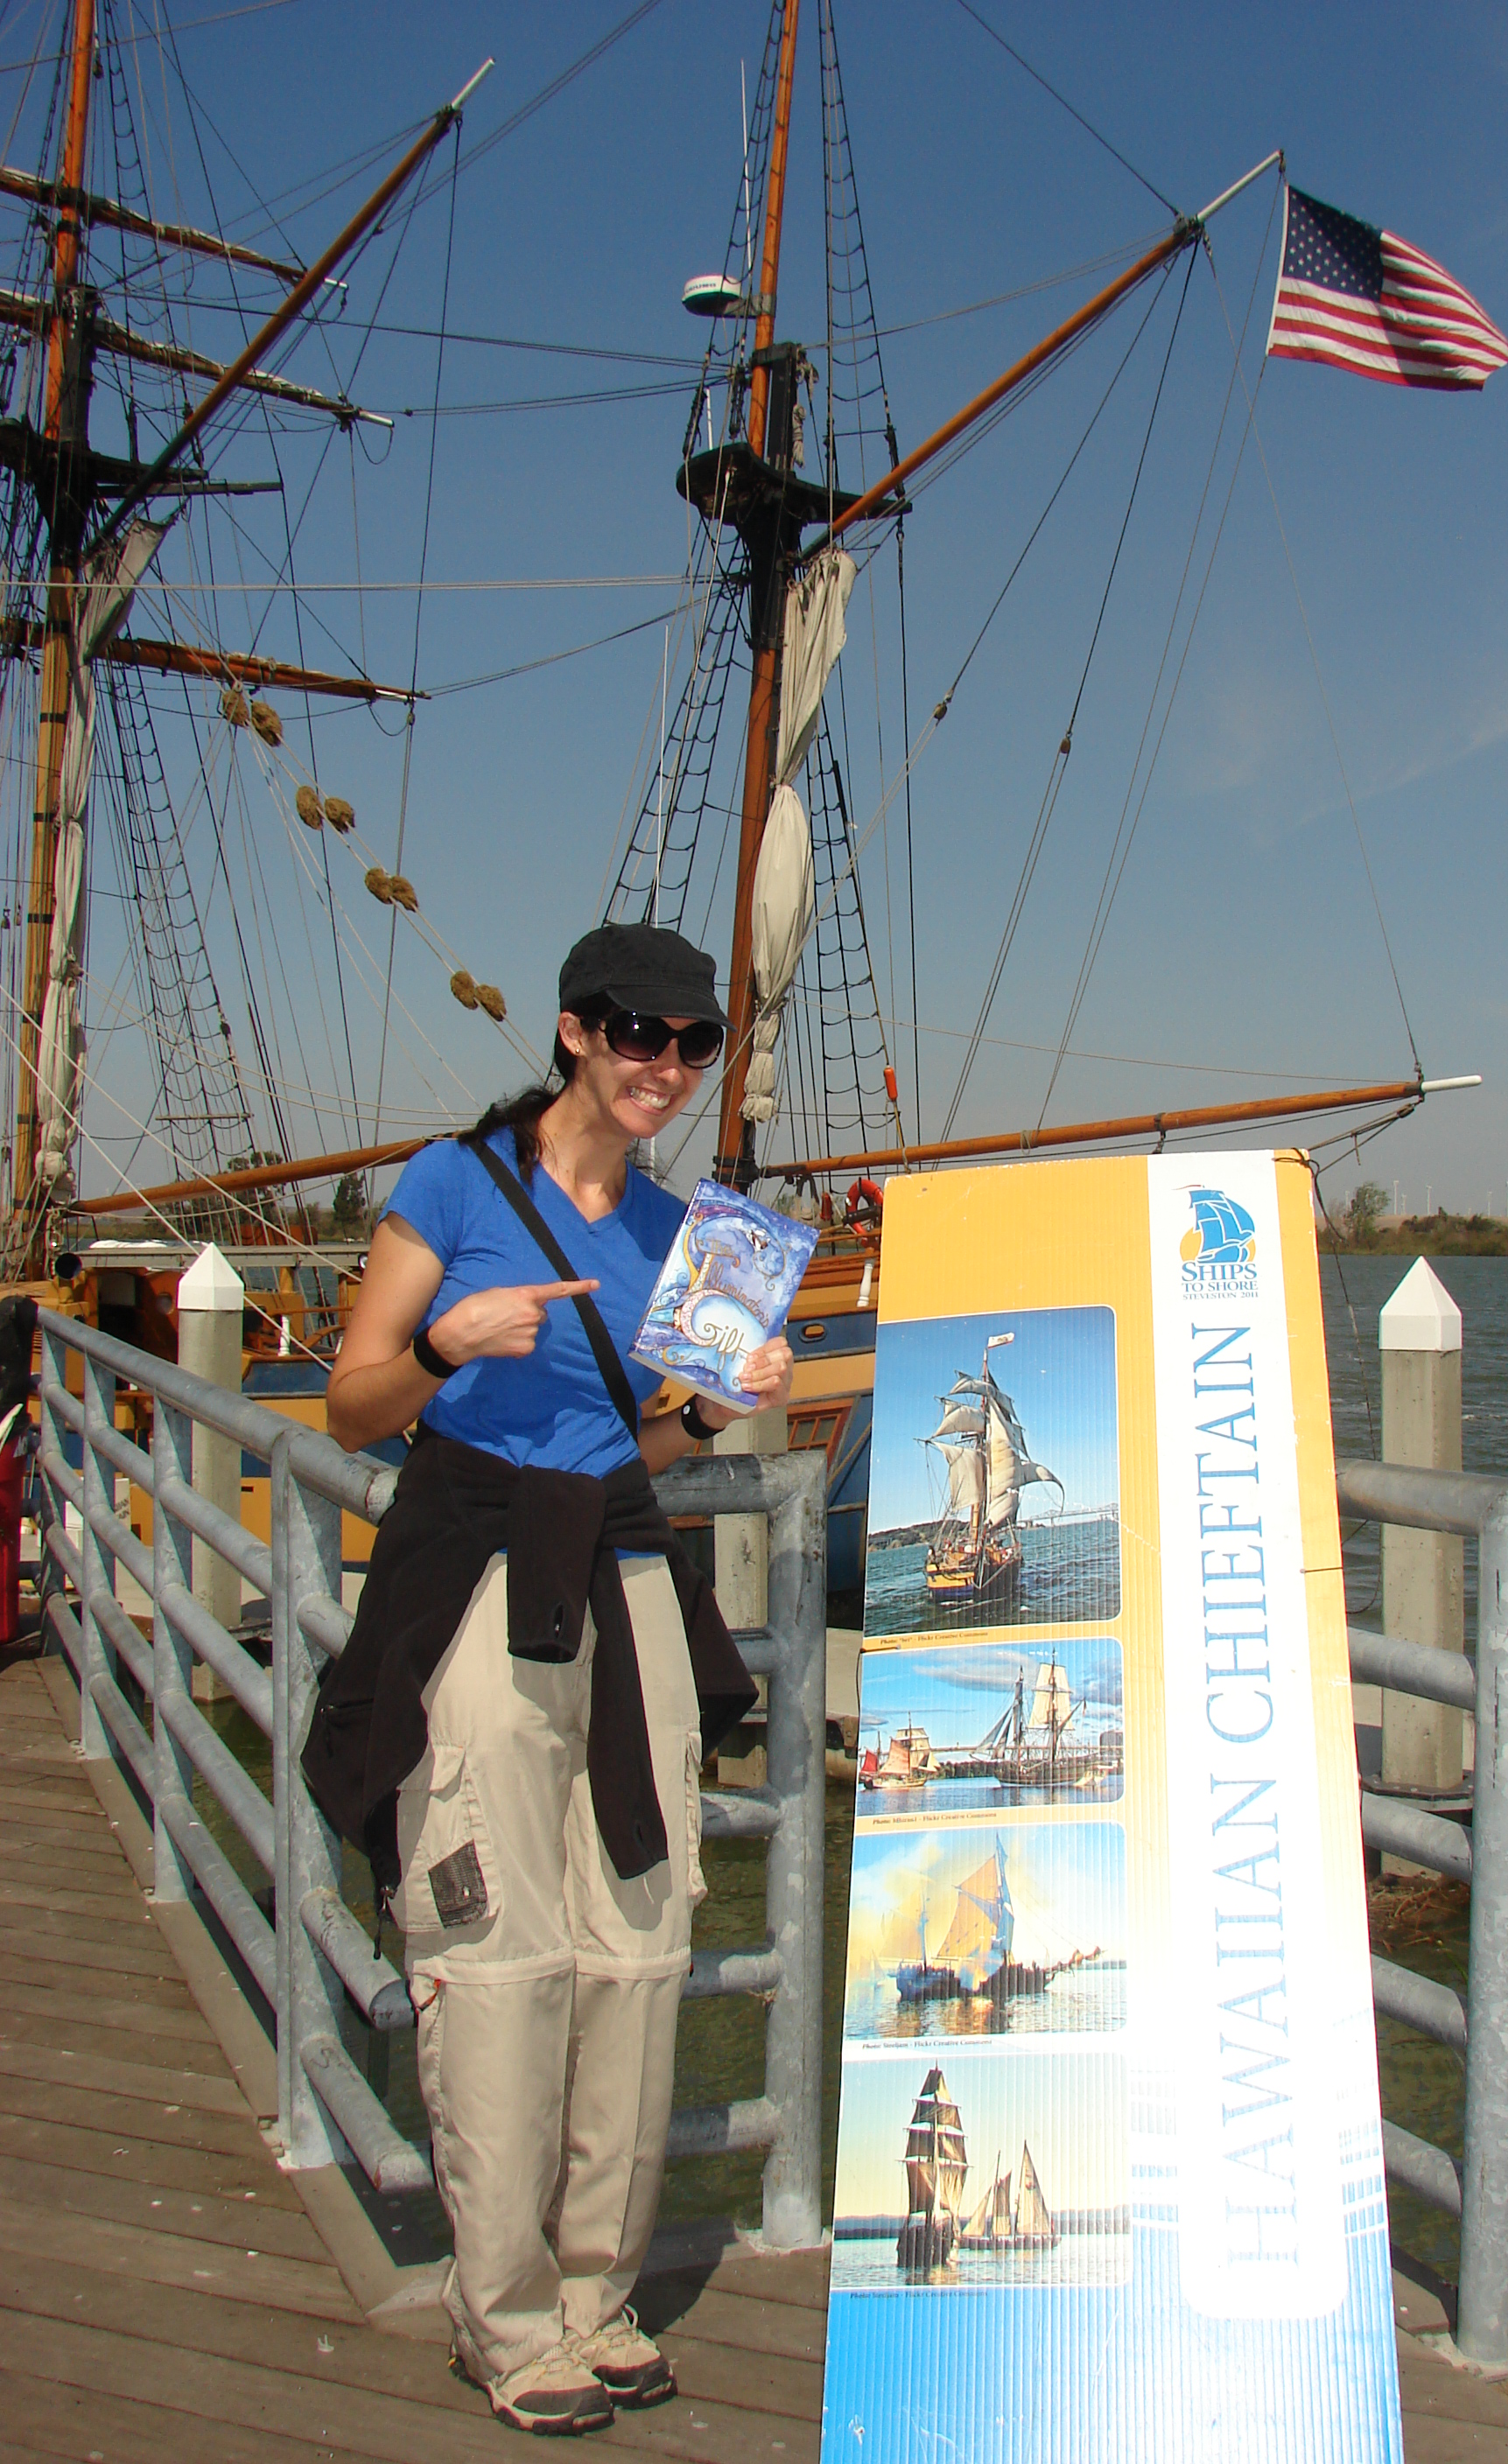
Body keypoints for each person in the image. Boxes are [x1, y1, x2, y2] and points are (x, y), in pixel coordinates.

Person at [304, 923, 789, 2436]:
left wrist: (706, 1418)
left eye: (693, 1044)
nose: (666, 1066)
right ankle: (504, 2319)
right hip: (479, 1581)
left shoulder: (680, 1234)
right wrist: (447, 1347)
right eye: (639, 1033)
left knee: (639, 1939)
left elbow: (624, 1450)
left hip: (625, 1577)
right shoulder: (456, 1187)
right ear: (575, 1031)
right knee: (498, 1947)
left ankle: (598, 2294)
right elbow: (348, 1407)